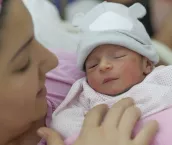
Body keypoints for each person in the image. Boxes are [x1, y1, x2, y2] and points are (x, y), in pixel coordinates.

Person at [0, 0, 158, 145]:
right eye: (23, 63)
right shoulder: (71, 114)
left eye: (35, 40)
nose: (51, 60)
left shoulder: (67, 71)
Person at [51, 2, 172, 145]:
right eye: (92, 65)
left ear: (146, 64)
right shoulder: (88, 96)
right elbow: (63, 121)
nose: (103, 66)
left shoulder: (159, 78)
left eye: (117, 57)